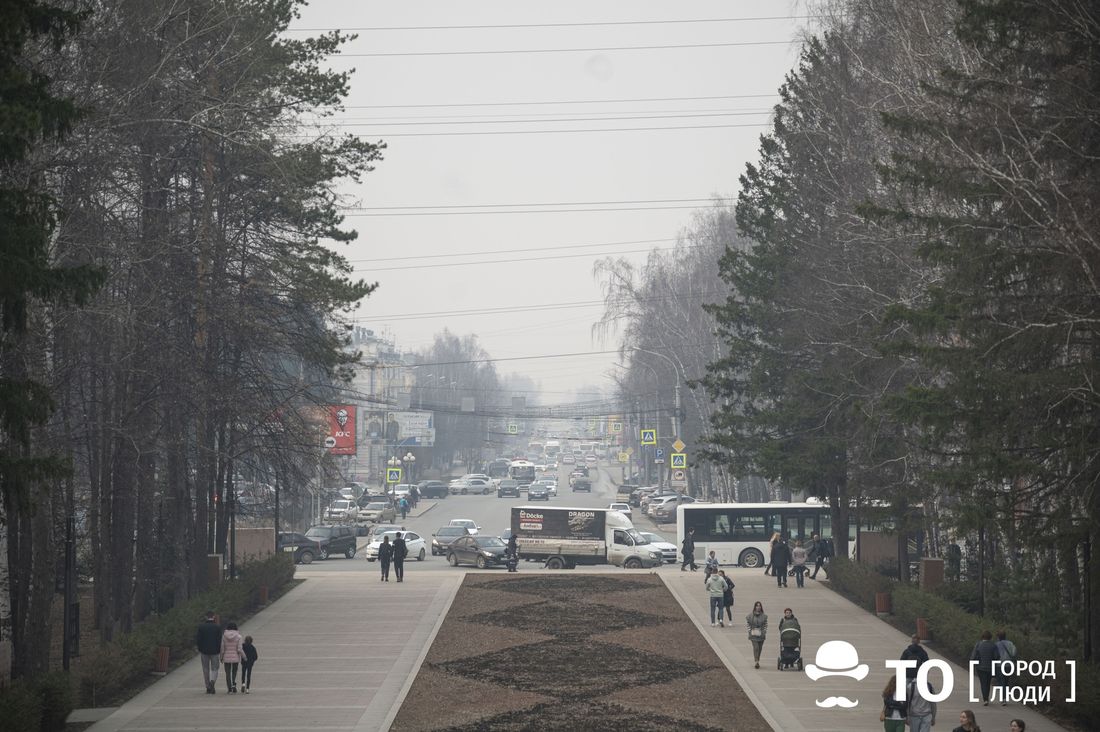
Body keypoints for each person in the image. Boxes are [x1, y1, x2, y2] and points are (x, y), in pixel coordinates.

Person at [970, 630, 1001, 706]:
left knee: (983, 683)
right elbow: (997, 656)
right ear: (990, 637)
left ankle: (985, 699)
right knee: (988, 682)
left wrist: (973, 663)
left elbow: (973, 656)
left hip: (980, 667)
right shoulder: (993, 645)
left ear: (982, 636)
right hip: (990, 667)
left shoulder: (978, 644)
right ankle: (986, 697)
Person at [196, 610, 222, 694]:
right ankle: (212, 681)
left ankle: (207, 686)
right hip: (215, 651)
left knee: (205, 669)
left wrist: (200, 648)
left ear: (205, 617)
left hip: (204, 651)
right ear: (214, 616)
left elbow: (198, 640)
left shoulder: (201, 627)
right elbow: (219, 640)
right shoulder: (217, 627)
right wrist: (219, 650)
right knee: (215, 668)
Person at [994, 630, 1018, 705]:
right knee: (1006, 681)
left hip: (999, 665)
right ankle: (1005, 697)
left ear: (998, 637)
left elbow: (994, 655)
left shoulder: (996, 644)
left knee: (1001, 681)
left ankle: (1003, 698)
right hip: (1008, 665)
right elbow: (1014, 653)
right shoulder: (1010, 644)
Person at [220, 621, 243, 694]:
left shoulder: (224, 636)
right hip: (235, 657)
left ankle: (229, 688)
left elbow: (222, 648)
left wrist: (221, 657)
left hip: (226, 657)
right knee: (234, 672)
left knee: (227, 673)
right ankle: (233, 684)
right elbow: (239, 649)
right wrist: (243, 657)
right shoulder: (239, 636)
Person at [746, 601, 768, 669]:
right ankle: (756, 661)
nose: (758, 607)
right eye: (757, 606)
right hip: (753, 634)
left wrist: (764, 632)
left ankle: (758, 659)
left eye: (759, 606)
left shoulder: (764, 616)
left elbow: (765, 625)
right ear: (755, 607)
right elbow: (748, 624)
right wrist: (749, 631)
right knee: (756, 648)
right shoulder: (750, 616)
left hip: (761, 634)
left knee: (760, 648)